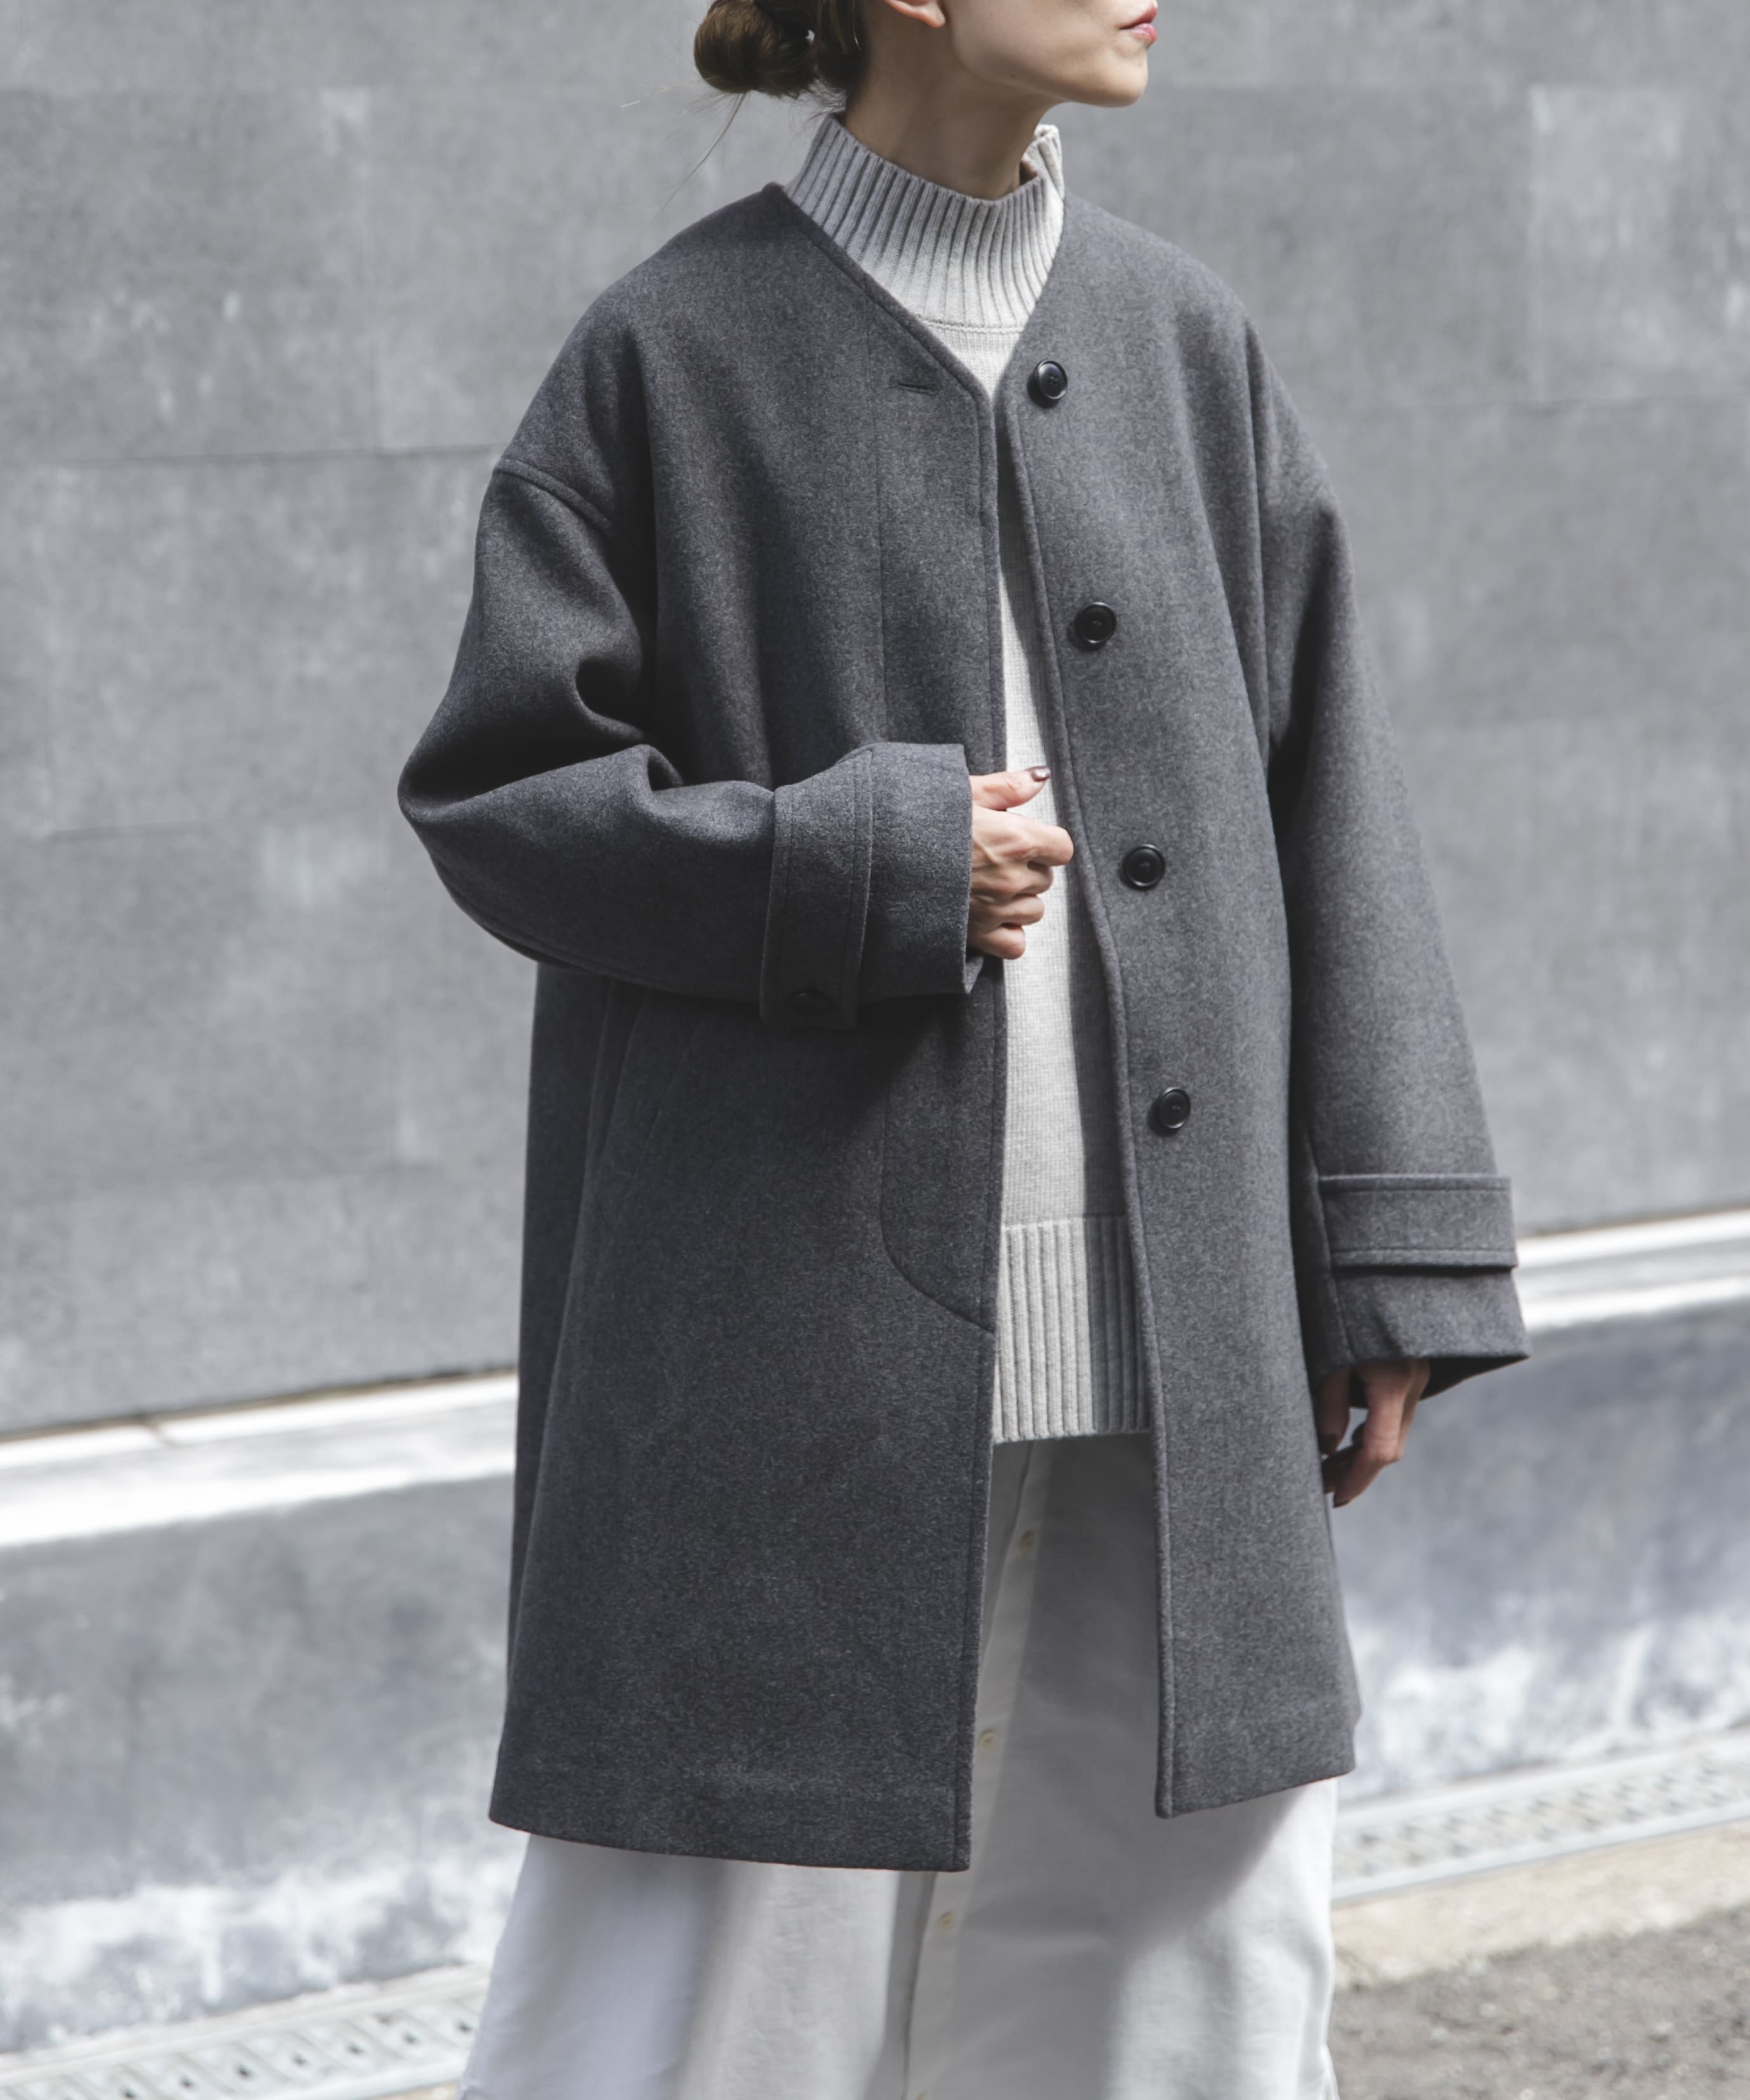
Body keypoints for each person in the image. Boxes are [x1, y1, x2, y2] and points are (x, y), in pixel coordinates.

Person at [398, 1, 1529, 2092]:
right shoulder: (671, 350)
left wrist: (1394, 1257)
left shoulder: (1185, 340)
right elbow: (499, 796)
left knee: (1171, 1970)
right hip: (786, 1343)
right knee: (718, 1983)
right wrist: (859, 861)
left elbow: (1333, 799)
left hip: (1180, 1342)